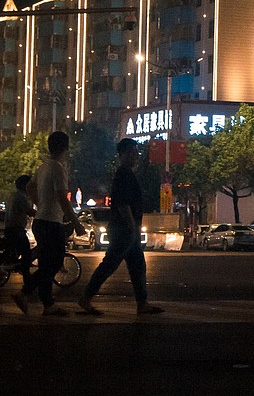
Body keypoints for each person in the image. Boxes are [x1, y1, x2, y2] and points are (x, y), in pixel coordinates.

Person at [77, 139, 164, 315]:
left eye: (136, 152)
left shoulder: (127, 174)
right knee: (110, 264)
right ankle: (86, 297)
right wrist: (132, 226)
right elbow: (123, 204)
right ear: (123, 154)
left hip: (127, 228)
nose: (136, 156)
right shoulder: (123, 174)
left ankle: (142, 303)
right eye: (132, 152)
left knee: (137, 265)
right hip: (123, 229)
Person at [13, 131, 82, 316]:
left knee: (46, 264)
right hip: (52, 222)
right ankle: (25, 292)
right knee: (55, 263)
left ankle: (48, 304)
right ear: (65, 148)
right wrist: (76, 223)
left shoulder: (43, 167)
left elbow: (29, 187)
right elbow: (63, 199)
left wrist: (39, 203)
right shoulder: (58, 168)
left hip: (40, 222)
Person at [4, 174, 35, 277]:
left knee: (19, 251)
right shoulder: (21, 197)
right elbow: (29, 211)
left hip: (11, 228)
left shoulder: (14, 195)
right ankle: (27, 278)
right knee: (26, 253)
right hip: (16, 229)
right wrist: (41, 214)